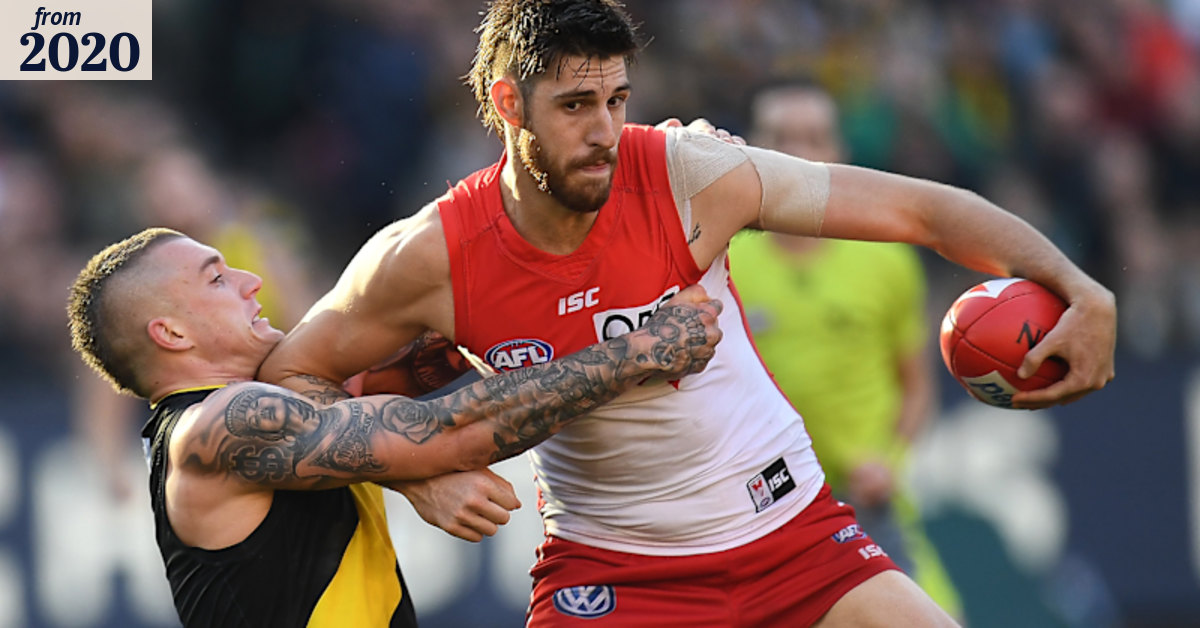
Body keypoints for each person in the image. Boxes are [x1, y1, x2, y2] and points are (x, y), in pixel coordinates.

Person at [258, 1, 1117, 625]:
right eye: (574, 106)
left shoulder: (688, 174)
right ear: (507, 102)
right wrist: (414, 473)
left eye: (617, 100)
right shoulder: (429, 257)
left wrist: (1082, 290)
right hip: (614, 571)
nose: (604, 131)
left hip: (794, 537)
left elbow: (922, 212)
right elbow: (289, 378)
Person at [66, 227, 722, 627]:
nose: (251, 279)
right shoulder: (218, 426)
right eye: (217, 277)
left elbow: (429, 357)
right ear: (171, 333)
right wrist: (640, 352)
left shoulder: (264, 400)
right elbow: (442, 430)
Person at [727, 81, 961, 616]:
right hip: (758, 513)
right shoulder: (719, 259)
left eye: (814, 137)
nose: (797, 153)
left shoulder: (886, 259)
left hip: (865, 504)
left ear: (840, 150)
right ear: (751, 148)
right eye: (781, 137)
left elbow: (917, 387)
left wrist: (889, 461)